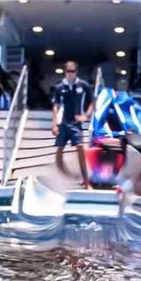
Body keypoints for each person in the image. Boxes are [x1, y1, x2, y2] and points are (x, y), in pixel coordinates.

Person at [51, 61, 92, 189]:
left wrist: (86, 116)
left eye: (73, 71)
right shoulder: (59, 87)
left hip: (76, 122)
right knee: (59, 149)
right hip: (63, 122)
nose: (70, 74)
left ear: (76, 72)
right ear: (65, 72)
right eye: (68, 71)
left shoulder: (83, 85)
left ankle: (86, 181)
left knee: (80, 147)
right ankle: (65, 176)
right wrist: (54, 124)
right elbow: (56, 106)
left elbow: (92, 102)